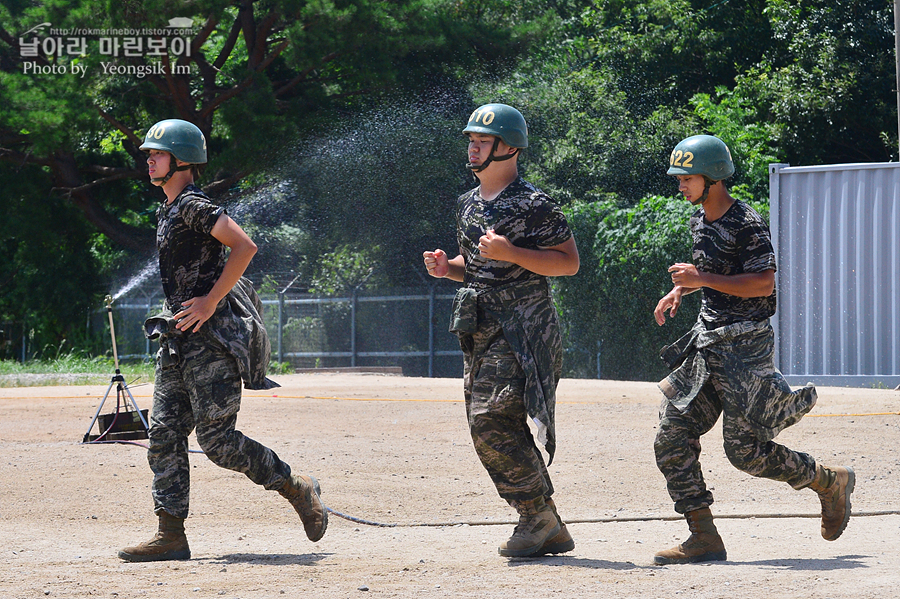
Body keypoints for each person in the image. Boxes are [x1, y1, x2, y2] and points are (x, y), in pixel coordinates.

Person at [118, 119, 327, 562]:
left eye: (156, 153)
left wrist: (210, 301)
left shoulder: (194, 204)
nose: (148, 159)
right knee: (163, 434)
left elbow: (245, 246)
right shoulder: (169, 209)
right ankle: (170, 533)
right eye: (149, 153)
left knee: (218, 443)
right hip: (178, 341)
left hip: (212, 342)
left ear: (179, 160)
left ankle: (296, 486)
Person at [652, 134, 855, 564]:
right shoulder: (700, 221)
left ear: (713, 178)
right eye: (679, 178)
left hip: (746, 348)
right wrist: (680, 289)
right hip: (708, 346)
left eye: (688, 177)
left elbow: (764, 283)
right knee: (671, 435)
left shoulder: (745, 221)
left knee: (745, 453)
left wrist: (702, 279)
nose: (681, 185)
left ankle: (827, 481)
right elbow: (707, 273)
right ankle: (703, 535)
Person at [423, 103, 580, 557]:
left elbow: (568, 263)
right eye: (471, 140)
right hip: (480, 329)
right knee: (488, 423)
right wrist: (445, 268)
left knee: (491, 420)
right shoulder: (467, 204)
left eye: (482, 141)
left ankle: (536, 516)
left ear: (508, 147)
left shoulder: (535, 204)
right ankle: (542, 518)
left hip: (523, 329)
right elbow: (473, 268)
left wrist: (512, 252)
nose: (472, 148)